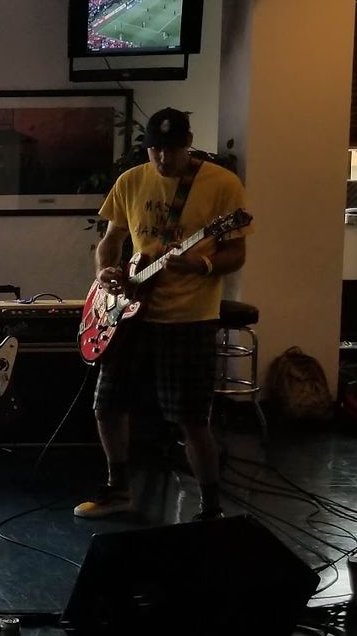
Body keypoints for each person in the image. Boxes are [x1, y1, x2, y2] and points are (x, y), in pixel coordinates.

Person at [76, 107, 249, 522]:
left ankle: (210, 507)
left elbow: (236, 254)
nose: (163, 158)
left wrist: (199, 264)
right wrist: (104, 271)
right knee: (107, 405)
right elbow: (111, 240)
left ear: (188, 143)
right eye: (155, 149)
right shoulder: (131, 181)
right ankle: (118, 489)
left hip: (189, 317)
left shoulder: (222, 185)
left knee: (191, 419)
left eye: (171, 149)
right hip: (129, 315)